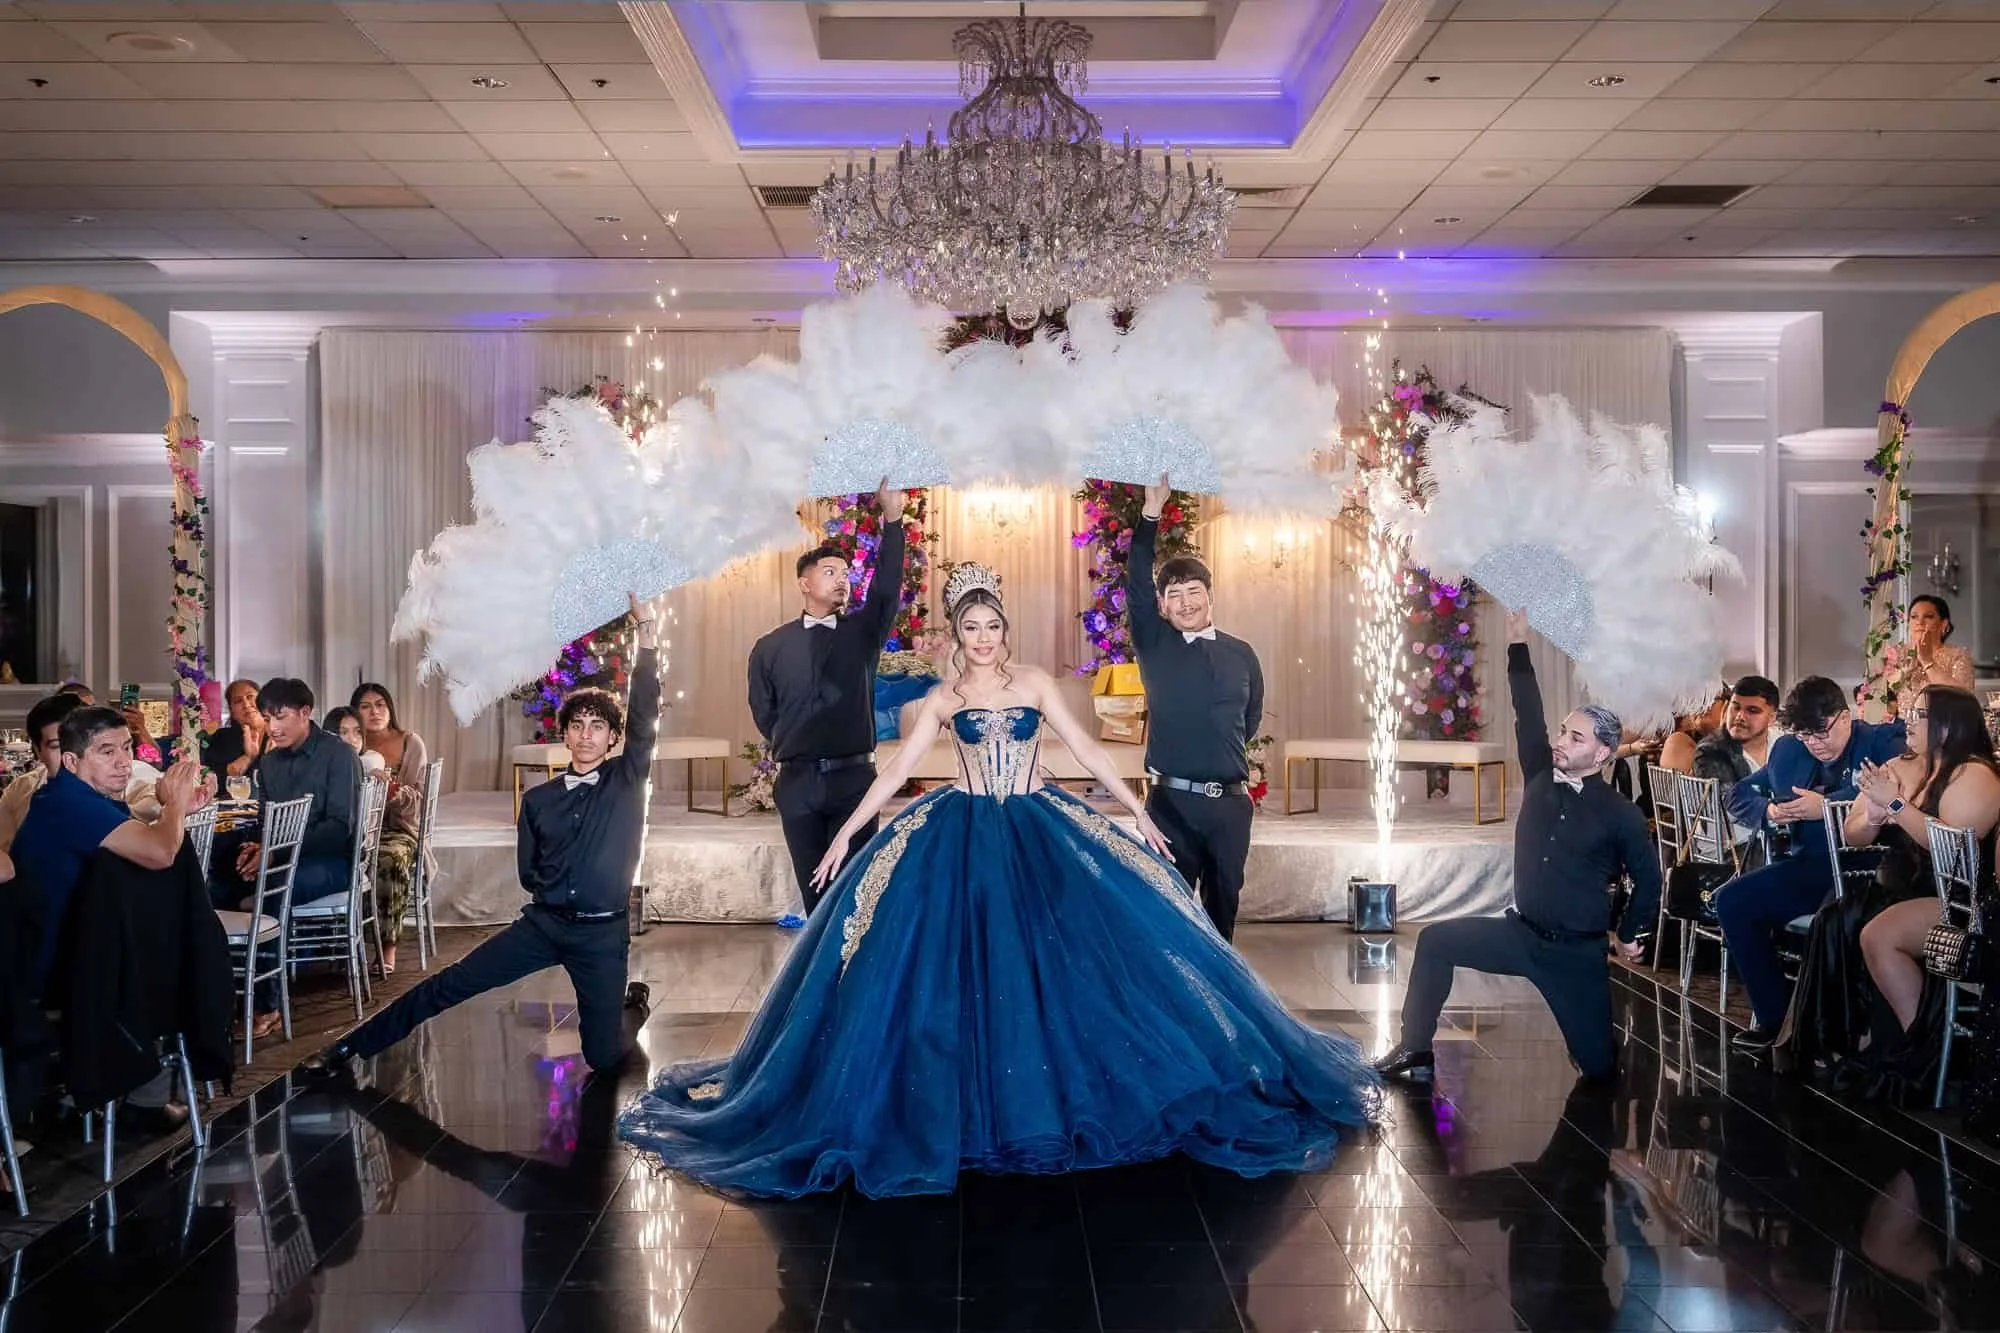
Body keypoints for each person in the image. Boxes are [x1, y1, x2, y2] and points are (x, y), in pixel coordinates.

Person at [619, 564, 1379, 1199]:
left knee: (1071, 964)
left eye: (993, 626)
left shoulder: (1036, 684)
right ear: (956, 634)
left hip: (1037, 824)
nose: (984, 639)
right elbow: (897, 771)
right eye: (971, 627)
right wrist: (850, 830)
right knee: (954, 972)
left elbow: (1086, 747)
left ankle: (1068, 1092)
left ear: (1005, 631)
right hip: (962, 829)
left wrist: (1137, 811)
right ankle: (971, 1104)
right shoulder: (943, 699)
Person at [307, 594, 658, 1080]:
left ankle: (632, 1007)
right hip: (544, 925)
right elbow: (529, 871)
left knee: (602, 1056)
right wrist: (558, 893)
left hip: (601, 934)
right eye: (577, 725)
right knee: (449, 983)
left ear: (612, 739)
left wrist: (647, 634)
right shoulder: (539, 800)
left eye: (597, 727)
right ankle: (348, 1049)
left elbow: (644, 715)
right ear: (565, 735)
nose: (585, 735)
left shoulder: (626, 780)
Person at [1373, 610, 1659, 1086]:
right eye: (1563, 731)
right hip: (1519, 936)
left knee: (1602, 1073)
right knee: (1435, 942)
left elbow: (1650, 879)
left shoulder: (1620, 814)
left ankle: (1599, 1048)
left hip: (1576, 955)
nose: (1560, 741)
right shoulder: (1541, 774)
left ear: (1603, 753)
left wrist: (1630, 933)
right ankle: (1416, 1049)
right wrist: (1516, 643)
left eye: (1575, 737)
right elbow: (1527, 708)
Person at [1716, 675, 1906, 1049]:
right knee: (1731, 902)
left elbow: (1897, 784)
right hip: (1812, 866)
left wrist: (1829, 807)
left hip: (1870, 871)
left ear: (1845, 717)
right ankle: (1779, 1021)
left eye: (1822, 733)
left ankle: (1834, 1030)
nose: (1816, 745)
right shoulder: (1790, 749)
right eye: (1806, 736)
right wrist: (1769, 810)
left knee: (1832, 919)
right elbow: (1738, 795)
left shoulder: (1881, 741)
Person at [749, 481, 907, 917]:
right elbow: (765, 712)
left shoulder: (862, 632)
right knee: (815, 894)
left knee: (852, 895)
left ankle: (856, 977)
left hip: (854, 782)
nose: (843, 580)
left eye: (846, 573)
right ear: (805, 583)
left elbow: (887, 589)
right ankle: (821, 980)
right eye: (831, 572)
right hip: (797, 783)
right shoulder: (770, 647)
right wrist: (797, 740)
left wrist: (892, 521)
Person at [1841, 685, 2000, 1096]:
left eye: (1920, 714)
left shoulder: (1976, 774)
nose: (1909, 721)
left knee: (1879, 933)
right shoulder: (1922, 767)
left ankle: (1921, 1051)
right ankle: (1876, 1038)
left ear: (1949, 726)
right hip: (1921, 887)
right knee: (1840, 917)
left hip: (1966, 899)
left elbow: (1953, 846)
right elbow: (1855, 832)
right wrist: (1877, 810)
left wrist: (1895, 805)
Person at [1129, 476, 1263, 940]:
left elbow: (1249, 721)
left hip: (1229, 806)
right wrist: (1150, 515)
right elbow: (1136, 584)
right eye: (1174, 595)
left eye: (1194, 592)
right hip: (1170, 805)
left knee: (1223, 916)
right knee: (1168, 919)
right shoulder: (1155, 643)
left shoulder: (1241, 652)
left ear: (1210, 596)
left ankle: (1220, 1006)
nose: (1185, 603)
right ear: (1163, 605)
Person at [11, 706, 205, 997]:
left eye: (127, 748)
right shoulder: (68, 803)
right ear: (71, 761)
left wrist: (175, 810)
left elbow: (146, 845)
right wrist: (174, 805)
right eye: (107, 752)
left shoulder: (85, 797)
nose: (124, 762)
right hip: (61, 966)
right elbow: (159, 853)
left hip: (92, 949)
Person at [225, 677, 360, 1038]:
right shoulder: (269, 765)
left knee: (268, 894)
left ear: (305, 713)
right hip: (283, 860)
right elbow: (267, 821)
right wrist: (257, 846)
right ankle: (222, 1001)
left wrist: (275, 853)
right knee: (219, 884)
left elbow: (338, 828)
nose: (272, 727)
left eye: (280, 717)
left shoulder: (338, 755)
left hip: (333, 865)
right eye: (267, 718)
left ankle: (267, 1007)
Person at [351, 681, 429, 974]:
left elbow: (419, 799)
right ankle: (340, 943)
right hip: (355, 828)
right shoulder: (349, 742)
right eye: (365, 706)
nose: (374, 712)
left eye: (380, 704)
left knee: (389, 859)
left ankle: (387, 947)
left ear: (390, 708)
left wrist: (394, 793)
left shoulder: (410, 742)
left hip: (397, 830)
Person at [1898, 594, 1975, 692]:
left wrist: (1927, 661)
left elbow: (1964, 699)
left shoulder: (1958, 656)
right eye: (1914, 617)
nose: (1920, 622)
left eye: (1928, 616)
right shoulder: (1896, 655)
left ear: (1943, 624)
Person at [201, 678, 267, 782]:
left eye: (250, 697)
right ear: (232, 711)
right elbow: (208, 779)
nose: (246, 704)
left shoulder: (281, 734)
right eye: (238, 701)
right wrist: (247, 759)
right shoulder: (222, 738)